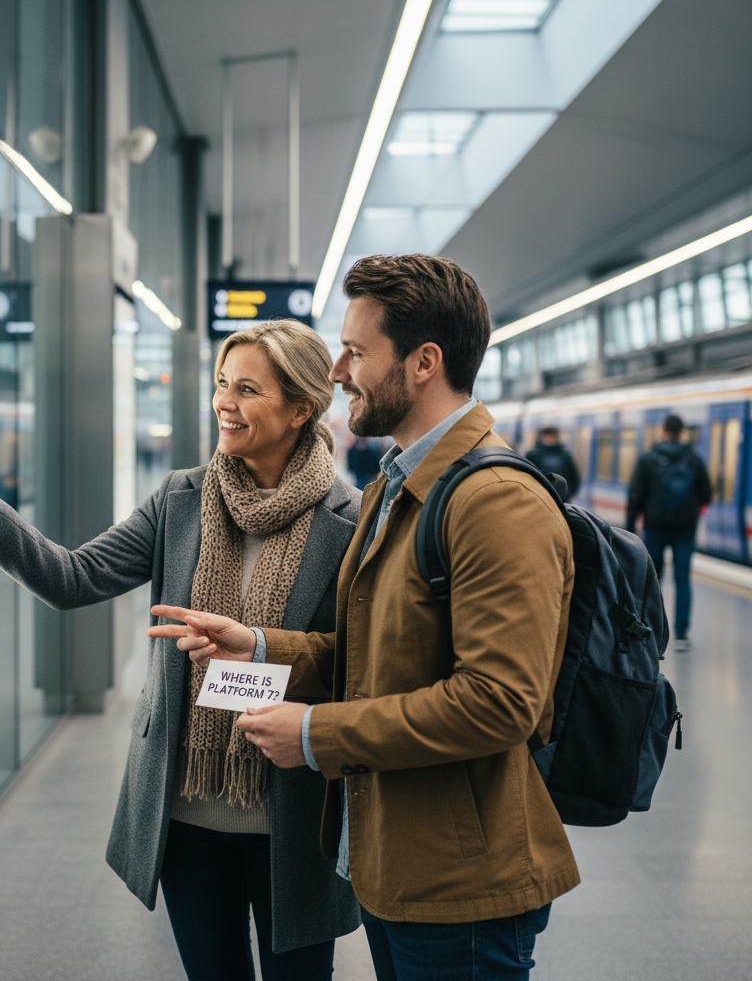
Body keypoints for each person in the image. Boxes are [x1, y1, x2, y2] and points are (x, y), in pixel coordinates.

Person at [0, 319, 361, 981]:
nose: (224, 401)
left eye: (248, 389)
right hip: (186, 811)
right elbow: (73, 578)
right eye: (222, 384)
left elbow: (358, 661)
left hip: (295, 814)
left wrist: (260, 654)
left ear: (301, 408)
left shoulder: (353, 521)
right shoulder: (182, 500)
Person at [151, 254, 579, 981]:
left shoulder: (495, 502)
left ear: (423, 363)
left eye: (356, 350)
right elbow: (363, 657)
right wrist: (258, 646)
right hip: (396, 861)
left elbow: (501, 704)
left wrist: (316, 733)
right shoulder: (396, 489)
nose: (339, 370)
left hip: (462, 885)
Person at [626, 414, 711, 651]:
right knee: (683, 579)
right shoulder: (693, 459)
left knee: (653, 579)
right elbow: (706, 493)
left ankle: (651, 631)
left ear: (662, 430)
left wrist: (630, 527)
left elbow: (635, 496)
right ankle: (682, 635)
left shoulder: (648, 459)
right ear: (682, 431)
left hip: (655, 527)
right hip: (685, 528)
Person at [525, 426, 580, 499]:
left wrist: (569, 493)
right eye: (547, 436)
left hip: (561, 497)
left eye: (552, 436)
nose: (550, 439)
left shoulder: (565, 455)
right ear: (542, 437)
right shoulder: (533, 455)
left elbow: (573, 475)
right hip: (538, 496)